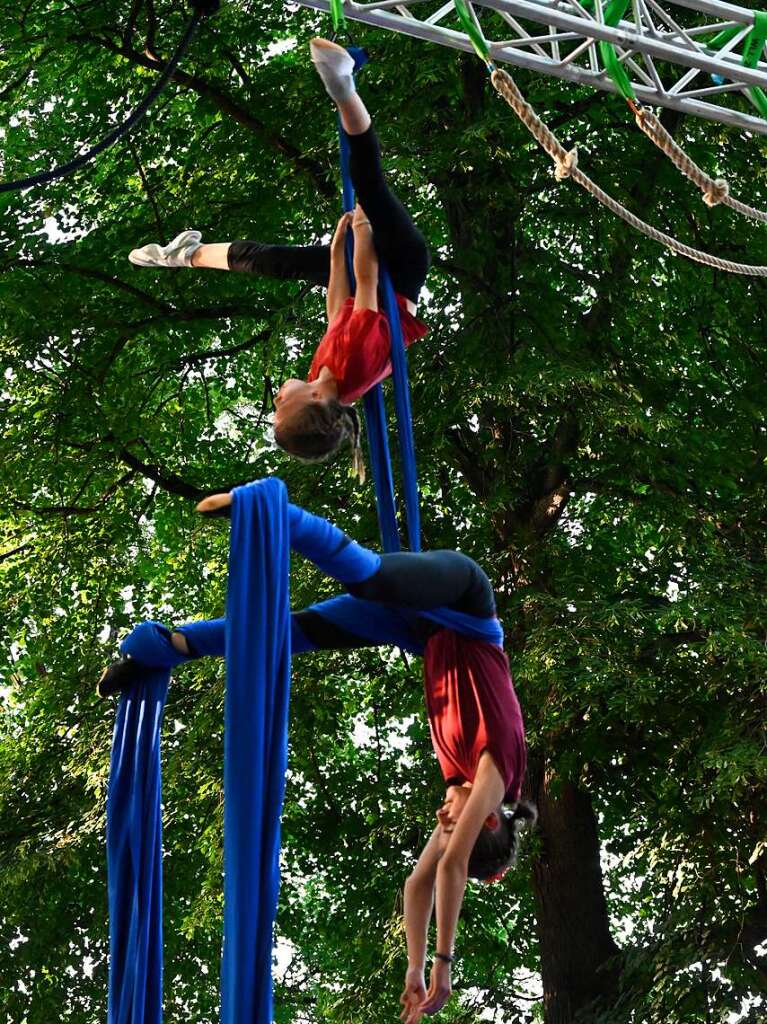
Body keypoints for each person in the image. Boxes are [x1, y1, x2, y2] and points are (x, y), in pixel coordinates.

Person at [99, 486, 534, 1022]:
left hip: (418, 630)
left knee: (285, 634)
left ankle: (159, 647)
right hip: (464, 604)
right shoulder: (498, 772)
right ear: (486, 817)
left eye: (442, 826)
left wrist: (415, 968)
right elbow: (452, 867)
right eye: (454, 823)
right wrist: (446, 960)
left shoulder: (465, 788)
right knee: (371, 576)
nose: (442, 818)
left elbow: (419, 883)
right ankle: (277, 514)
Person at [127, 38, 430, 479]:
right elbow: (366, 284)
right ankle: (343, 86)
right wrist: (363, 230)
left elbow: (336, 307)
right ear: (310, 402)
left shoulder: (321, 377)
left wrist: (333, 250)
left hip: (364, 279)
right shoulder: (355, 370)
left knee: (271, 261)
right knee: (367, 181)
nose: (273, 402)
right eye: (278, 410)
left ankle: (185, 254)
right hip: (398, 273)